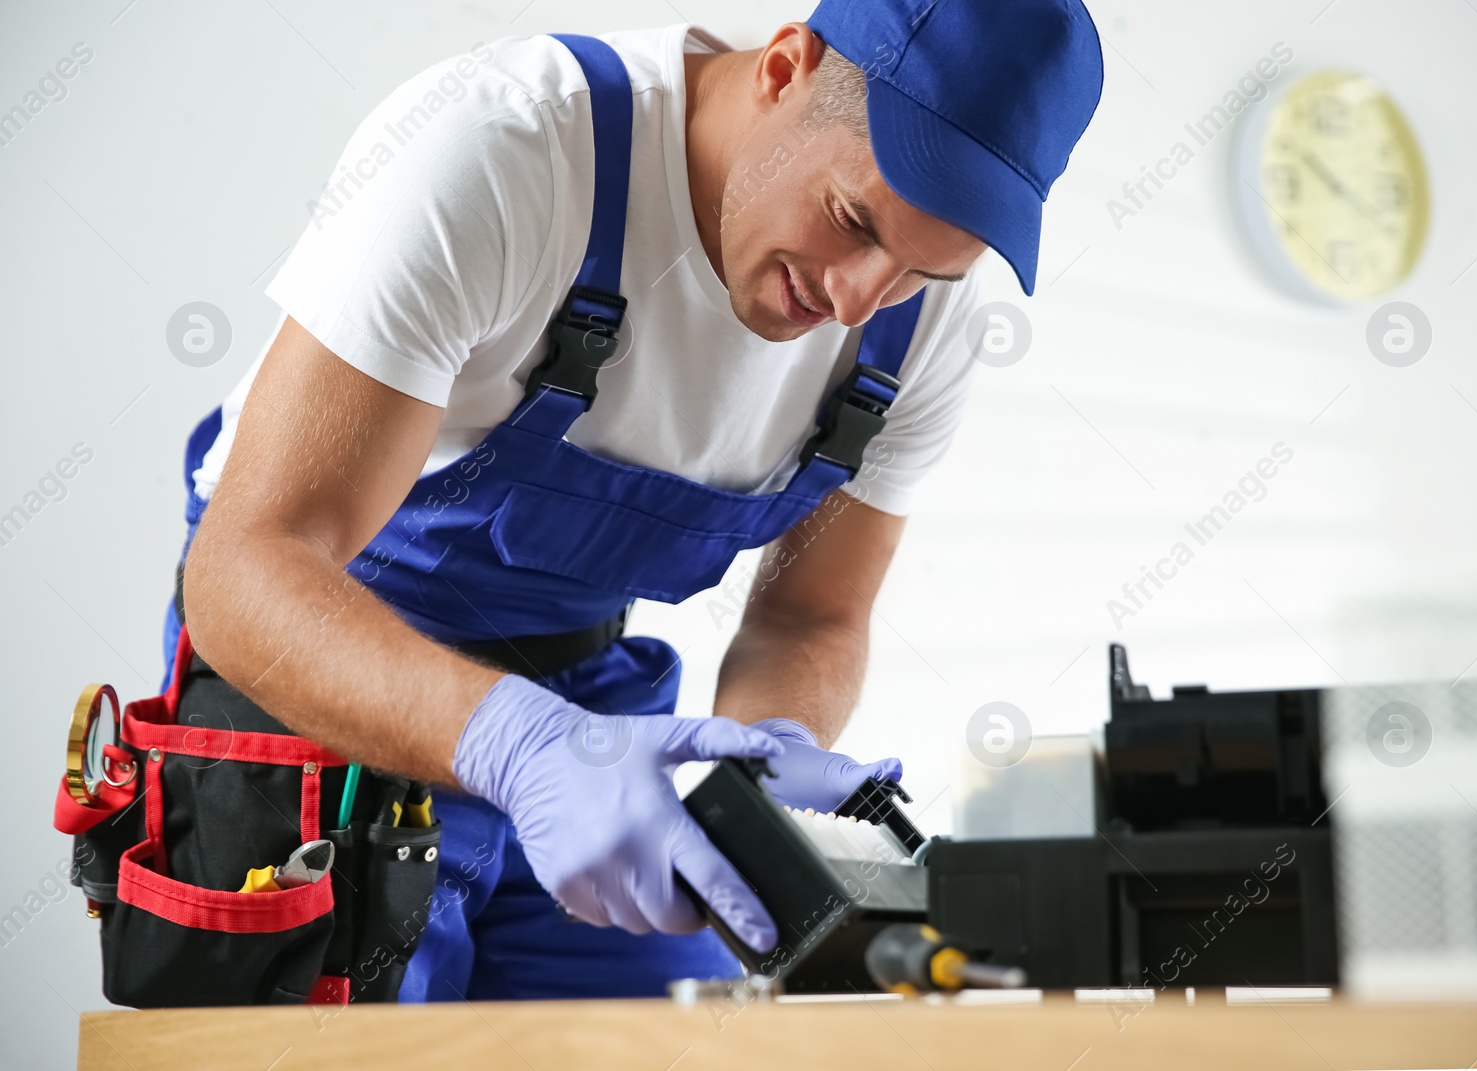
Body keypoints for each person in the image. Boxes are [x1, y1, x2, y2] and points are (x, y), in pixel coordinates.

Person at [175, 0, 1103, 1000]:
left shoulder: (923, 328)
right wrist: (517, 746)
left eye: (922, 271)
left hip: (596, 726)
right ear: (786, 67)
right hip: (322, 679)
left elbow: (812, 614)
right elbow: (245, 568)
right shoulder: (504, 151)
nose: (856, 299)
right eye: (849, 219)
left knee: (664, 1041)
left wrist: (765, 760)